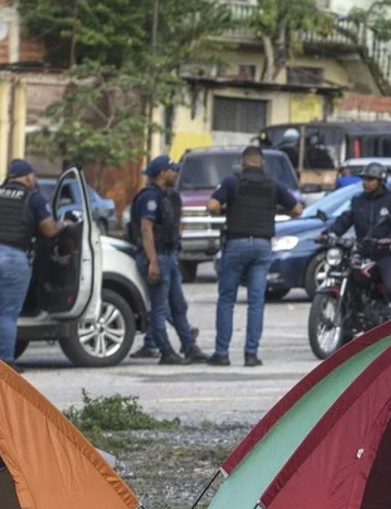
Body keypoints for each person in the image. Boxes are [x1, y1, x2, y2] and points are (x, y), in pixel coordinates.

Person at [0, 159, 72, 370]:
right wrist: (64, 225)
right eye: (32, 176)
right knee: (8, 313)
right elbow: (48, 229)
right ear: (26, 177)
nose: (34, 179)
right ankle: (6, 360)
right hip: (13, 257)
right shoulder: (33, 198)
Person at [206, 146, 303, 367]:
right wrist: (274, 210)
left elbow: (212, 204)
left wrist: (222, 211)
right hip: (261, 245)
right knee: (256, 302)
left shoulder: (232, 182)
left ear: (242, 162)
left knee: (227, 299)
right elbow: (297, 209)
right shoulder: (274, 184)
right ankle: (251, 354)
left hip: (236, 243)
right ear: (262, 162)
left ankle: (222, 354)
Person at [129, 156, 206, 365]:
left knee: (178, 305)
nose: (176, 173)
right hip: (157, 256)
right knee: (159, 307)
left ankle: (189, 347)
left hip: (170, 255)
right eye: (173, 170)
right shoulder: (149, 197)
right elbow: (146, 229)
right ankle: (165, 351)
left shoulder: (169, 195)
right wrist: (152, 261)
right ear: (163, 173)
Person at [325, 162, 391, 315]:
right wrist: (329, 233)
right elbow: (346, 219)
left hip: (385, 254)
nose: (366, 182)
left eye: (370, 179)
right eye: (364, 179)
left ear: (381, 181)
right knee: (349, 278)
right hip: (362, 252)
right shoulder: (358, 200)